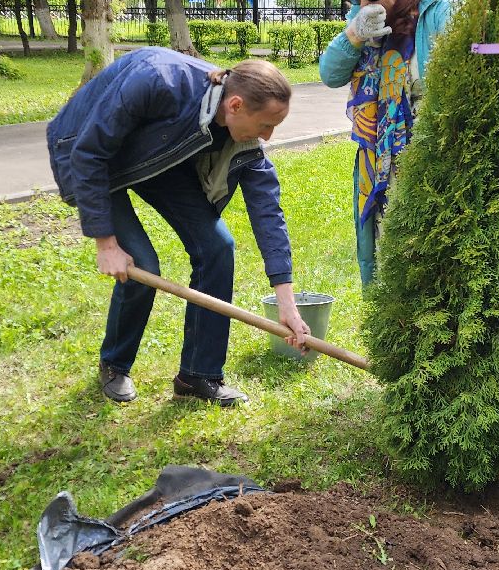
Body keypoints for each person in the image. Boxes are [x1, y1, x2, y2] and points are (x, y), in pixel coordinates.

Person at [47, 49, 310, 407]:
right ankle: (115, 363)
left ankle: (197, 376)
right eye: (266, 124)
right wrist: (106, 242)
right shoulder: (158, 80)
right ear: (235, 106)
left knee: (217, 247)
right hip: (85, 150)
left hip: (156, 156)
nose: (268, 136)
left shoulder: (243, 136)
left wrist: (287, 303)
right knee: (141, 265)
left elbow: (268, 213)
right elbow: (89, 152)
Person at [320, 0, 459, 286]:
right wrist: (354, 34)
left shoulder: (442, 9)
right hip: (377, 160)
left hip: (429, 161)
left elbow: (491, 50)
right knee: (384, 268)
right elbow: (329, 73)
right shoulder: (362, 17)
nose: (362, 3)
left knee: (427, 268)